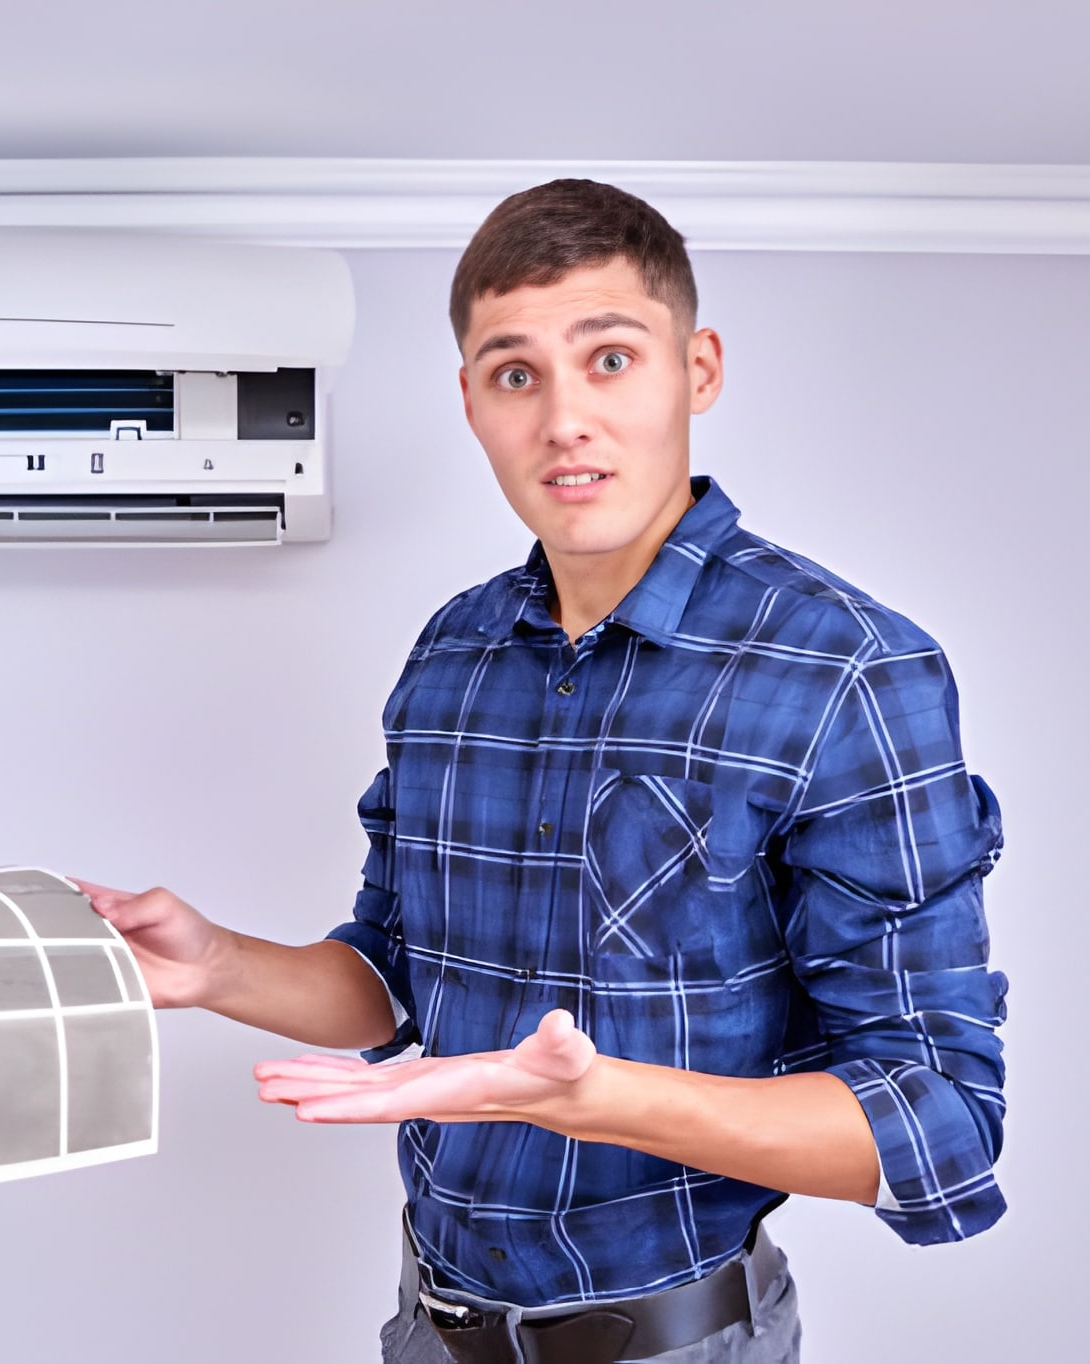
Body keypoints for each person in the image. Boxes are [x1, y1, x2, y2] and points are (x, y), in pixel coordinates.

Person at [70, 179, 1008, 1364]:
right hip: (430, 1328)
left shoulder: (847, 668)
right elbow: (400, 975)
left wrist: (595, 1097)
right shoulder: (452, 652)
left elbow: (937, 1120)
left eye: (608, 358)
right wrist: (217, 965)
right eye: (515, 374)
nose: (563, 418)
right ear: (471, 400)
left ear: (696, 370)